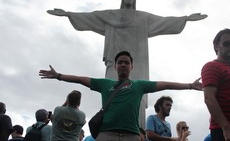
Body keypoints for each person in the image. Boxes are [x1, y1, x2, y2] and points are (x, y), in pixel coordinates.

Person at [47, 0, 207, 128]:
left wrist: (184, 18)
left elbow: (163, 21)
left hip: (139, 61)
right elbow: (92, 17)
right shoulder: (111, 15)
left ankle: (138, 129)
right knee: (112, 92)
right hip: (114, 59)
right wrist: (68, 14)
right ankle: (111, 124)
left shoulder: (143, 18)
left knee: (138, 95)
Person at [39, 51, 202, 141]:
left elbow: (165, 84)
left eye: (126, 62)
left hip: (131, 135)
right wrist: (59, 76)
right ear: (116, 66)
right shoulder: (104, 84)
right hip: (106, 134)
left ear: (131, 66)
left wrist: (189, 86)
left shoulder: (139, 85)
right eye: (120, 62)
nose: (123, 64)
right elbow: (81, 79)